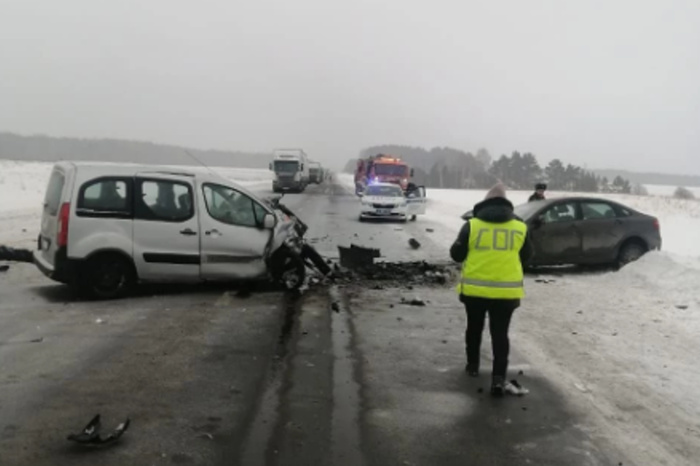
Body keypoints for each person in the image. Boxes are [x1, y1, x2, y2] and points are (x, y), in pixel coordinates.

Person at [450, 183, 533, 397]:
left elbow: (456, 255)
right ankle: (498, 379)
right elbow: (527, 256)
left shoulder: (472, 225)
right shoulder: (520, 227)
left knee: (474, 329)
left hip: (475, 292)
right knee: (500, 335)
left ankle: (473, 366)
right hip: (506, 294)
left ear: (485, 203)